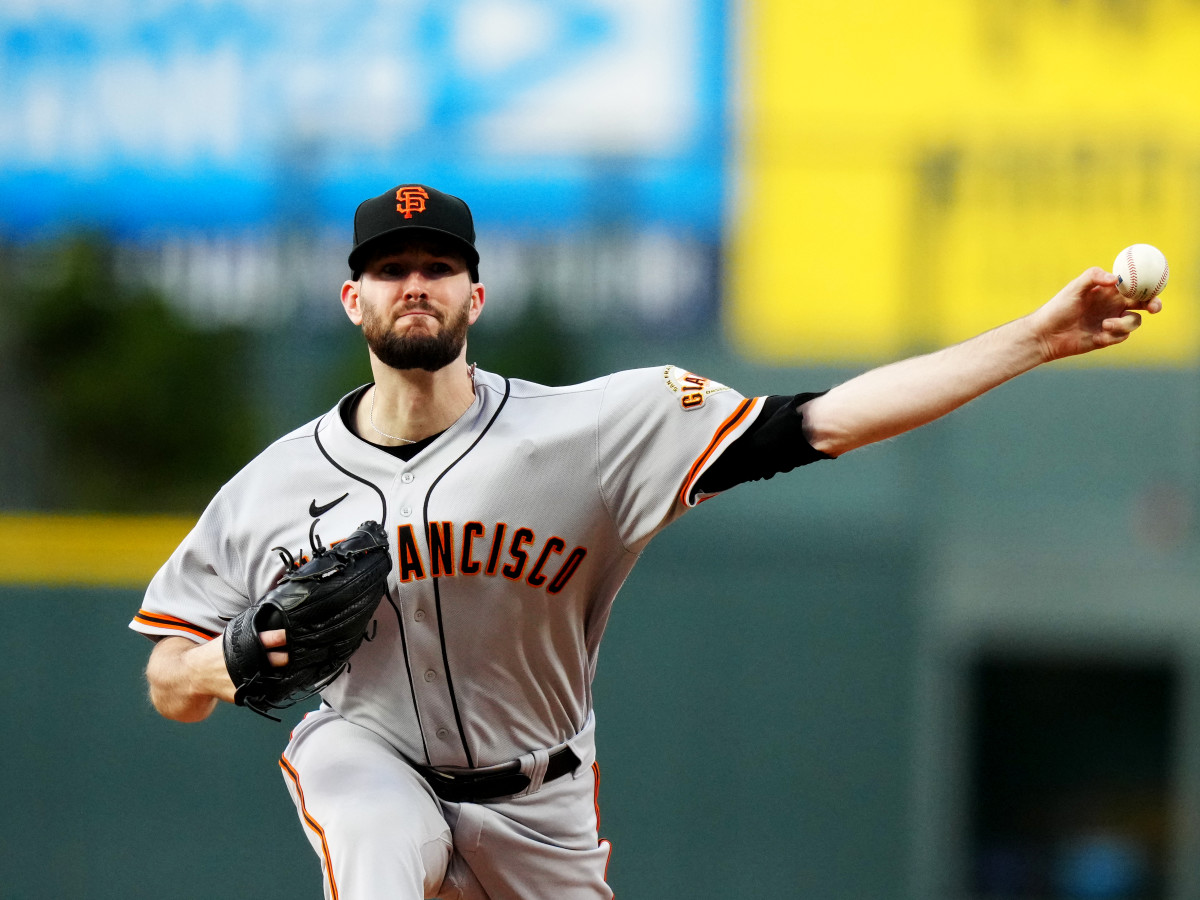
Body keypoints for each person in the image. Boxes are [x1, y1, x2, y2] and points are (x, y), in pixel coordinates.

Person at [131, 183, 1161, 900]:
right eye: (390, 268)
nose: (415, 284)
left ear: (475, 297)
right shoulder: (271, 487)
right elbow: (167, 684)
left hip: (541, 800)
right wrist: (219, 665)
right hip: (377, 757)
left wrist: (1037, 337)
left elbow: (826, 420)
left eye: (438, 267)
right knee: (353, 783)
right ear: (351, 297)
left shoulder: (590, 430)